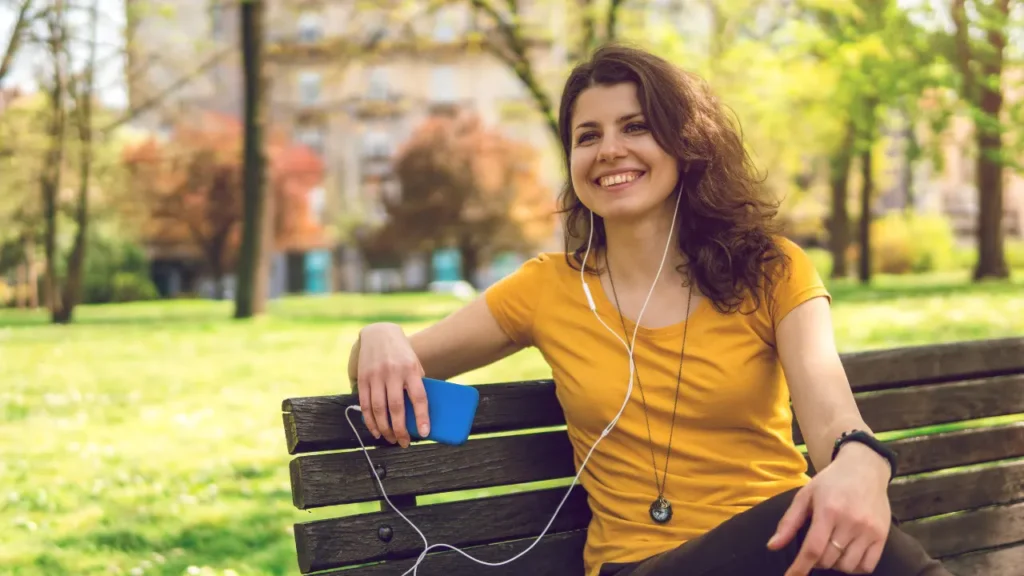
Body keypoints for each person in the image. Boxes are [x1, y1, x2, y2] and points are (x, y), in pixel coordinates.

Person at [348, 44, 951, 576]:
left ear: (685, 142)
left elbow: (830, 417)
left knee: (818, 525)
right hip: (644, 563)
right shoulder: (546, 289)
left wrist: (858, 463)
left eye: (635, 127)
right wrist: (377, 335)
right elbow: (389, 365)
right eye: (588, 136)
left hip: (784, 547)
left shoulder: (773, 269)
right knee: (805, 524)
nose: (610, 150)